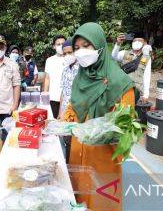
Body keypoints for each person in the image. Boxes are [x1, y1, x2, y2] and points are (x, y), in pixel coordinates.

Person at [62, 23, 135, 210]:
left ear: (100, 46)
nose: (80, 52)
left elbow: (126, 127)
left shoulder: (120, 83)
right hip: (78, 151)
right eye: (77, 48)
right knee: (78, 198)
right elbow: (73, 108)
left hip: (103, 156)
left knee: (101, 200)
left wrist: (96, 131)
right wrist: (61, 123)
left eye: (86, 46)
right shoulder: (81, 77)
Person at [0, 35, 21, 170]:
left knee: (8, 137)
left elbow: (16, 85)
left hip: (8, 108)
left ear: (5, 47)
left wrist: (15, 105)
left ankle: (7, 161)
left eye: (2, 47)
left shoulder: (12, 64)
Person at [112, 33, 152, 103]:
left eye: (139, 40)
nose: (137, 42)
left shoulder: (147, 58)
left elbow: (147, 76)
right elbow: (113, 57)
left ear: (144, 43)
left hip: (137, 91)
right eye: (135, 40)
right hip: (123, 89)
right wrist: (117, 44)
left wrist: (146, 95)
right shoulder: (124, 53)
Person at [58, 39, 79, 162]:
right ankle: (68, 166)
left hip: (77, 114)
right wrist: (61, 113)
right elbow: (63, 92)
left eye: (70, 52)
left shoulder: (83, 69)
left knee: (76, 143)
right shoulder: (65, 70)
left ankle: (72, 168)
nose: (67, 56)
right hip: (66, 114)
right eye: (64, 54)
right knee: (67, 141)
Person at [44, 35, 67, 118]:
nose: (61, 46)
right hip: (52, 98)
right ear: (54, 46)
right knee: (53, 122)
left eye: (63, 44)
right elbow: (47, 79)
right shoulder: (49, 60)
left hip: (67, 99)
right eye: (58, 44)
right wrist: (45, 95)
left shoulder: (70, 59)